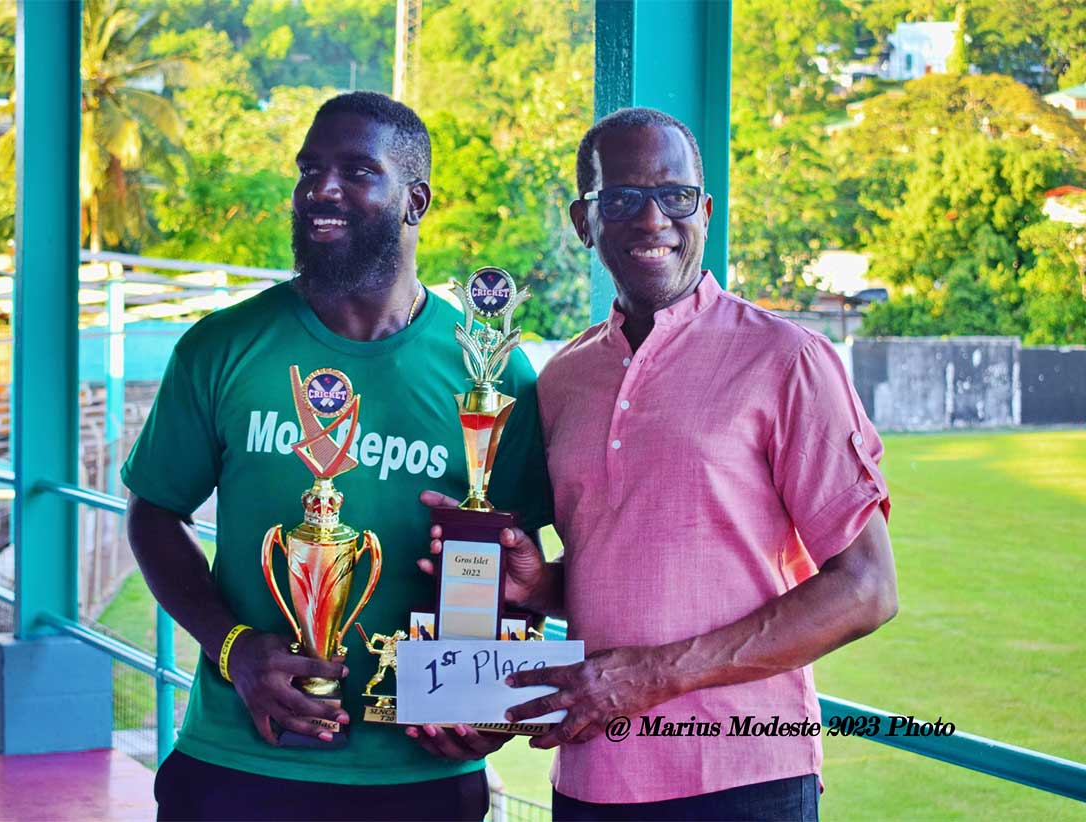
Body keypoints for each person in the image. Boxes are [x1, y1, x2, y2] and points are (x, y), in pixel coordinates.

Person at [429, 107, 898, 820]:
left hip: (745, 775)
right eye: (620, 199)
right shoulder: (563, 380)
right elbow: (635, 572)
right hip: (592, 774)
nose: (652, 220)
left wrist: (651, 678)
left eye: (674, 196)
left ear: (704, 212)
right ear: (585, 222)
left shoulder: (789, 360)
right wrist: (542, 584)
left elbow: (867, 589)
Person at [123, 91, 552, 821]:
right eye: (310, 170)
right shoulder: (222, 347)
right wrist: (234, 649)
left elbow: (516, 562)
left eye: (356, 171)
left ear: (415, 200)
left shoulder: (492, 374)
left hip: (417, 779)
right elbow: (154, 516)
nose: (321, 189)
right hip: (238, 763)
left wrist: (483, 701)